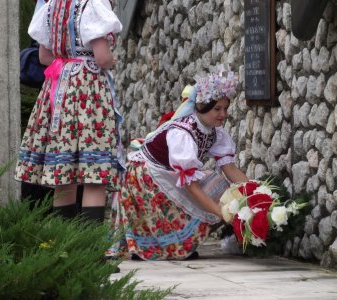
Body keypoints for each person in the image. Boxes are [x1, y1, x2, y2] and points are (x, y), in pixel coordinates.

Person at [107, 69, 249, 260]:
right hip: (145, 177)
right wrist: (221, 213)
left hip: (168, 174)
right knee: (208, 198)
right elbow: (191, 185)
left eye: (225, 108)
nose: (223, 114)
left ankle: (178, 244)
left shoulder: (213, 133)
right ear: (201, 106)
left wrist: (255, 195)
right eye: (217, 109)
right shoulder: (183, 133)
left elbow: (229, 168)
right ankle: (159, 246)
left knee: (219, 185)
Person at [15, 0, 125, 222]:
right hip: (87, 89)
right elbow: (102, 57)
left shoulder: (52, 6)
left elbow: (44, 57)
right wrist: (112, 61)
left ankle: (67, 247)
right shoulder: (92, 4)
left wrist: (66, 61)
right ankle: (91, 250)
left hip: (58, 89)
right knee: (95, 173)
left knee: (64, 174)